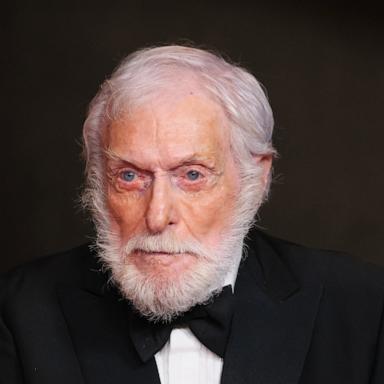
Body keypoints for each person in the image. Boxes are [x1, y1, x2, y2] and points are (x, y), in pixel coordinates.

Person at [1, 45, 383, 384]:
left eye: (192, 175)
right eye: (130, 176)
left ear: (256, 178)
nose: (158, 215)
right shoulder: (19, 312)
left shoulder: (363, 307)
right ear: (99, 181)